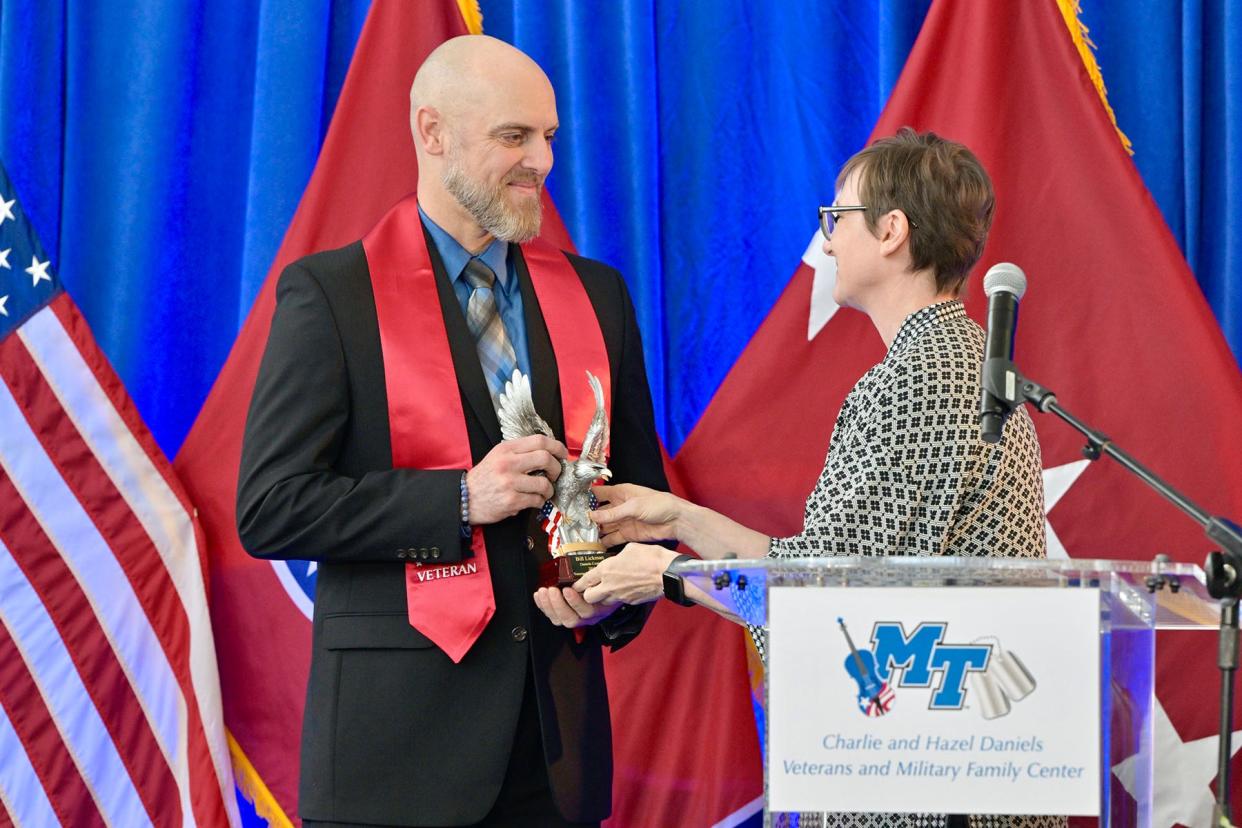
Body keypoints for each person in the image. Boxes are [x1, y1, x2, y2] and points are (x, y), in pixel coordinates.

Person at [236, 35, 666, 828]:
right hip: (393, 758)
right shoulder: (331, 295)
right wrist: (462, 498)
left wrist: (614, 594)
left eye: (549, 137)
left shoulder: (599, 295)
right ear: (432, 133)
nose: (541, 159)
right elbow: (271, 506)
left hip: (554, 755)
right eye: (514, 136)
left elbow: (645, 501)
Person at [573, 130, 1059, 828]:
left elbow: (819, 590)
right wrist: (678, 519)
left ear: (891, 231)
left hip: (928, 781)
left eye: (836, 219)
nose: (825, 242)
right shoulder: (959, 361)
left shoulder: (918, 381)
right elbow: (831, 565)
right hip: (952, 764)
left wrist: (667, 576)